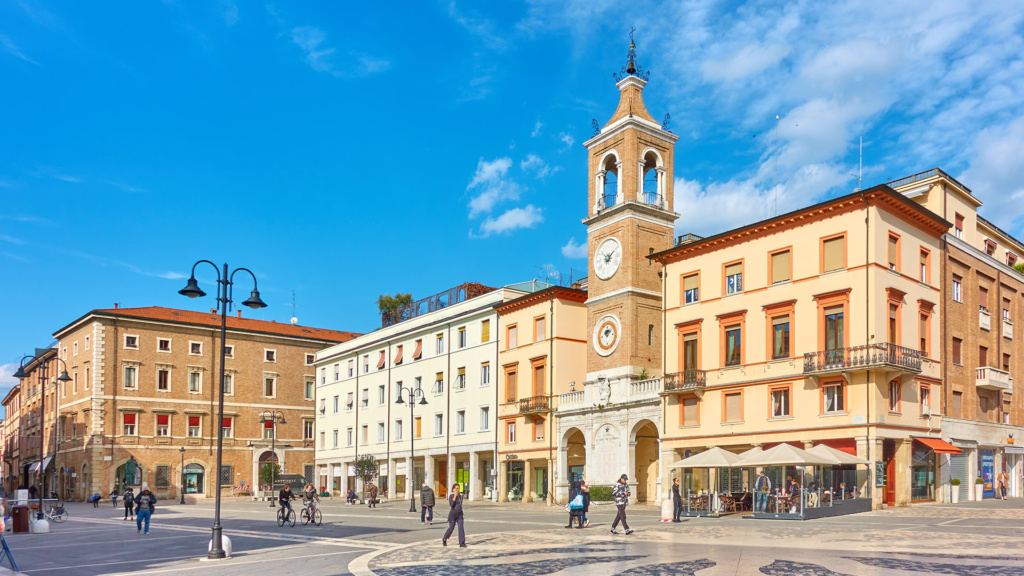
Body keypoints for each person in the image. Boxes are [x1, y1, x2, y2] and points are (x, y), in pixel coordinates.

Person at [442, 483, 466, 547]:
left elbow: (460, 504)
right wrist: (455, 496)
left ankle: (462, 542)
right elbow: (452, 505)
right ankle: (445, 538)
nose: (457, 490)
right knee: (451, 528)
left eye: (458, 488)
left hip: (460, 513)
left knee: (461, 527)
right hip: (453, 514)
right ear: (453, 489)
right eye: (456, 488)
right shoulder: (451, 496)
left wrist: (457, 495)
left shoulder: (460, 496)